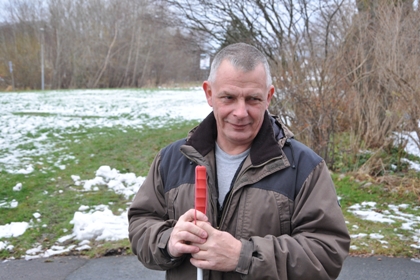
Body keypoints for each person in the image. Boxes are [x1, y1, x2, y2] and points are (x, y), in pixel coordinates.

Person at [128, 42, 350, 279]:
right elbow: (141, 224)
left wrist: (243, 256)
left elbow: (327, 253)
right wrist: (168, 241)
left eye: (253, 99)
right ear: (209, 94)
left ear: (268, 96)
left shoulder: (304, 167)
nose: (241, 112)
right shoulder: (171, 160)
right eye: (229, 97)